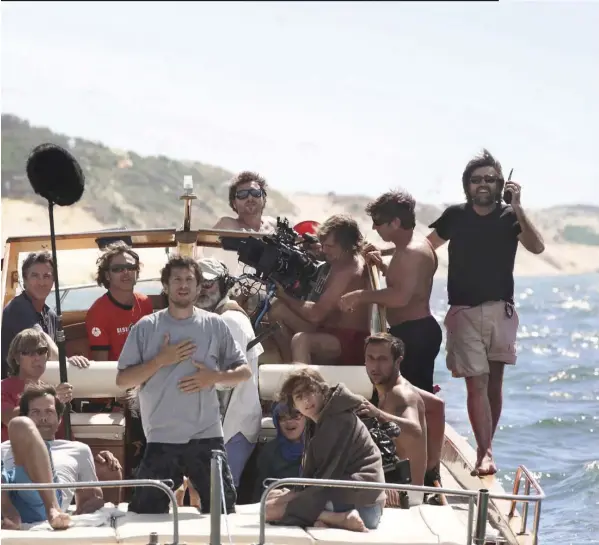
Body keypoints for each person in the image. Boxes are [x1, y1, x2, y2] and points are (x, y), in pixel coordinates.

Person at [427, 149, 544, 476]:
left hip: (501, 312)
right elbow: (425, 246)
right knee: (476, 384)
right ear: (467, 184)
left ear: (501, 184)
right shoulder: (455, 216)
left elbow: (537, 247)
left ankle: (485, 448)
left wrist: (518, 207)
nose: (483, 184)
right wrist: (386, 253)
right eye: (476, 179)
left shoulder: (510, 217)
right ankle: (485, 453)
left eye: (490, 179)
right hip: (463, 312)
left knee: (494, 385)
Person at [116, 255, 253, 514]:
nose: (183, 285)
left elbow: (243, 372)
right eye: (176, 279)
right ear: (165, 286)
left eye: (190, 279)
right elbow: (123, 380)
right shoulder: (145, 328)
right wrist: (160, 360)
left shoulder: (215, 324)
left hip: (207, 436)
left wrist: (213, 378)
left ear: (198, 287)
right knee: (145, 515)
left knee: (222, 513)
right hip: (161, 437)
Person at [339, 190, 442, 393]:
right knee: (405, 394)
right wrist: (382, 266)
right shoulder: (411, 246)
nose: (374, 227)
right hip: (413, 331)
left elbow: (400, 297)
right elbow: (408, 283)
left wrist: (360, 296)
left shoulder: (411, 251)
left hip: (415, 334)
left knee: (411, 398)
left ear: (394, 222)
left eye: (378, 221)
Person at [1, 328, 122, 494]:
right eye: (27, 352)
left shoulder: (51, 390)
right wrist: (53, 400)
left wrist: (94, 456)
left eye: (41, 351)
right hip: (20, 458)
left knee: (109, 469)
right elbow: (10, 420)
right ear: (16, 358)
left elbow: (65, 439)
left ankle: (104, 518)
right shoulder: (4, 388)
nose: (36, 357)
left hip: (57, 455)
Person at [265, 367, 385, 532]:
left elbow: (326, 477)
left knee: (270, 510)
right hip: (345, 495)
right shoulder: (318, 421)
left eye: (310, 392)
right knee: (272, 496)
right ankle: (327, 519)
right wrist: (294, 493)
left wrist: (295, 498)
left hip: (364, 506)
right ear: (295, 404)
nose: (306, 400)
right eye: (299, 397)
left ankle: (338, 519)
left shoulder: (337, 420)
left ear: (322, 390)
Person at [84, 241, 153, 484]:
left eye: (130, 267)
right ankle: (135, 481)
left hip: (147, 382)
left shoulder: (145, 303)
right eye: (117, 268)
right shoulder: (98, 312)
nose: (125, 273)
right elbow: (103, 366)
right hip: (118, 391)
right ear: (106, 275)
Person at [1, 383, 109, 530]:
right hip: (9, 494)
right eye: (35, 412)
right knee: (18, 425)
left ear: (59, 419)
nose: (43, 418)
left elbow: (93, 498)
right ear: (26, 416)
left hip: (45, 498)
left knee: (18, 424)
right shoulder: (5, 447)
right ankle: (7, 512)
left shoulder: (78, 450)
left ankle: (52, 508)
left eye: (49, 412)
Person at [269, 215, 370, 365]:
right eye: (323, 244)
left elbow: (316, 314)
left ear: (347, 245)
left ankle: (299, 383)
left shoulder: (348, 273)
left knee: (301, 340)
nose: (324, 250)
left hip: (347, 341)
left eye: (329, 246)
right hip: (328, 328)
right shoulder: (343, 257)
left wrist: (283, 294)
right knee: (278, 310)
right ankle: (289, 366)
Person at [358, 333, 428, 501]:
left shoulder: (401, 393)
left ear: (398, 361)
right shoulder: (385, 391)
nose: (375, 366)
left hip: (405, 495)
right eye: (371, 358)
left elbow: (415, 429)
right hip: (391, 486)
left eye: (382, 359)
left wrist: (377, 413)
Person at [1, 252, 89, 379]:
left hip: (39, 384)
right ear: (25, 280)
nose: (41, 282)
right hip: (13, 389)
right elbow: (41, 338)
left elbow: (48, 355)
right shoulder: (18, 308)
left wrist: (72, 361)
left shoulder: (51, 315)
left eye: (46, 276)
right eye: (35, 276)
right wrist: (65, 363)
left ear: (53, 281)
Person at [252, 402, 305, 503]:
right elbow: (260, 490)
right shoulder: (269, 451)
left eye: (295, 415)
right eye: (282, 417)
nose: (289, 421)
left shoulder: (317, 447)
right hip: (277, 504)